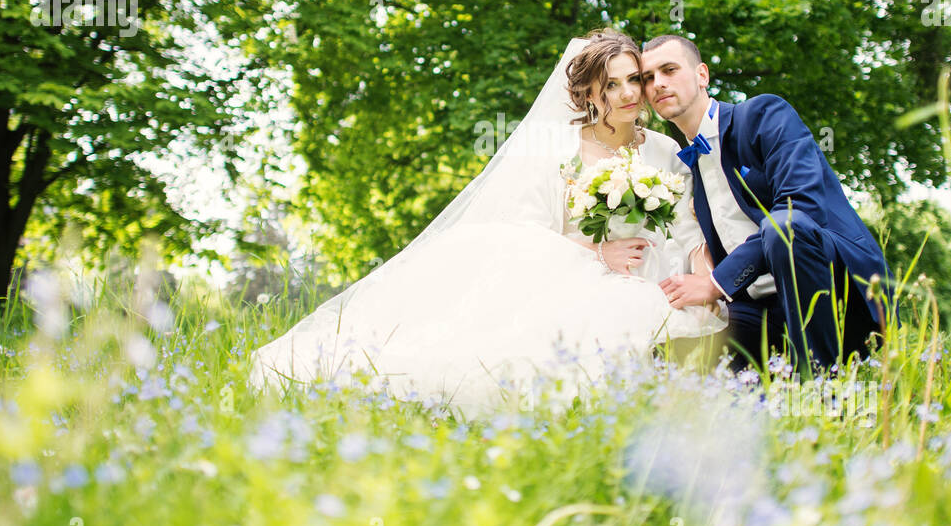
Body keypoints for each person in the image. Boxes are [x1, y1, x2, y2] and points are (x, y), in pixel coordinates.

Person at [249, 29, 727, 418]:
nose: (627, 94)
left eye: (632, 80)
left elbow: (687, 230)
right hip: (576, 270)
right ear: (588, 93)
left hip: (652, 272)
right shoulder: (556, 147)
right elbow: (520, 232)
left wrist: (704, 273)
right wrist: (600, 253)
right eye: (611, 85)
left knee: (684, 318)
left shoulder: (664, 150)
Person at [641, 34, 890, 376]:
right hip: (757, 308)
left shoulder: (763, 115)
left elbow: (802, 206)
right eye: (648, 77)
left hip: (834, 298)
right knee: (671, 355)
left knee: (785, 225)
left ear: (702, 75)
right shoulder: (687, 172)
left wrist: (715, 283)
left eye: (669, 69)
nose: (658, 83)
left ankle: (822, 385)